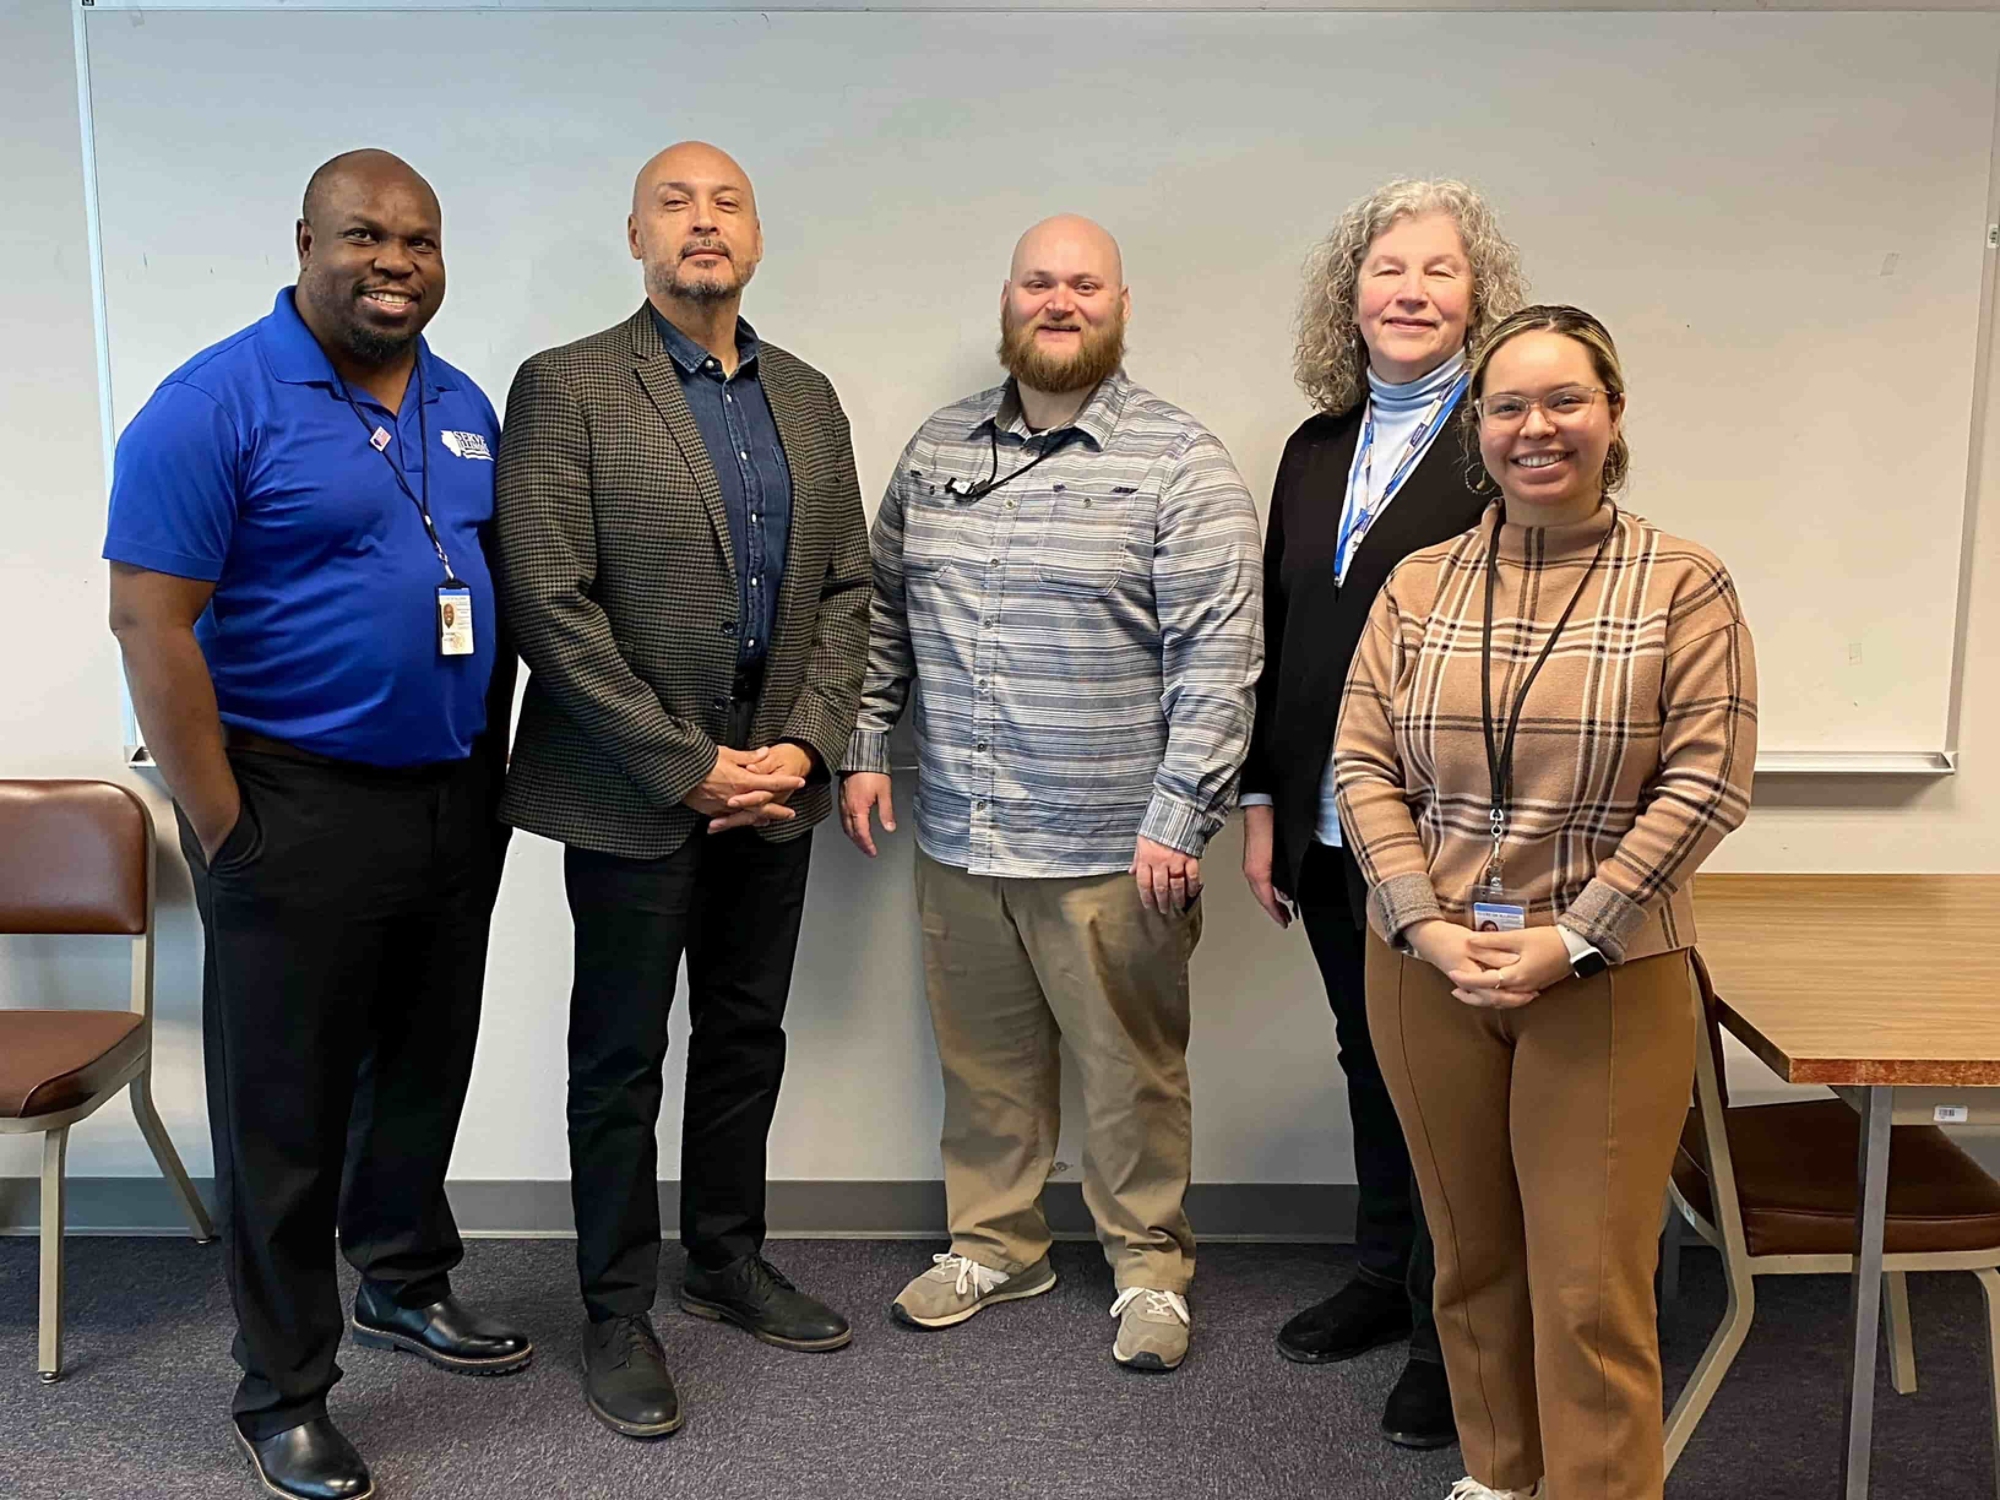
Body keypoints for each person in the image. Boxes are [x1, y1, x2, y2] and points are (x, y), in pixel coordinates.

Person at [104, 149, 527, 1500]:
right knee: (283, 1116)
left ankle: (404, 1278)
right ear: (304, 240)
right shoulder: (211, 402)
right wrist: (226, 825)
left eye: (418, 238)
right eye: (363, 235)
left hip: (451, 797)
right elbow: (147, 621)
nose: (393, 260)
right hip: (293, 803)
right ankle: (282, 1390)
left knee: (420, 1070)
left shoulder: (461, 403)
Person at [1334, 305, 1758, 1500]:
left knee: (1588, 1286)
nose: (1536, 428)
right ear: (1479, 427)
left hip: (1608, 976)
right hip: (1424, 969)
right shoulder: (1418, 583)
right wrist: (1421, 922)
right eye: (1509, 405)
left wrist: (1572, 939)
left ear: (1610, 416)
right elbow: (1360, 764)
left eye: (1563, 400)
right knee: (1468, 1263)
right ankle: (1499, 1477)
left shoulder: (1683, 582)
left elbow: (1706, 781)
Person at [840, 214, 1262, 1374]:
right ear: (1007, 301)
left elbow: (1220, 657)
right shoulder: (936, 451)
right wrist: (866, 739)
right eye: (1039, 282)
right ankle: (994, 1245)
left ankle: (1148, 1268)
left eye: (1083, 284)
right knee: (982, 1066)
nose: (1058, 301)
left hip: (1111, 846)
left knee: (1131, 1075)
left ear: (1120, 305)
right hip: (961, 831)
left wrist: (1180, 817)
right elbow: (881, 607)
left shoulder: (1180, 462)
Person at [495, 141, 870, 1441]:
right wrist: (686, 764)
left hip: (774, 790)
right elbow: (549, 601)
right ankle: (613, 1308)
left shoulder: (809, 397)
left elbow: (845, 590)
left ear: (755, 236)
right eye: (676, 202)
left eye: (727, 203)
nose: (703, 223)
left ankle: (722, 1259)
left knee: (744, 1037)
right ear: (637, 235)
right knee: (618, 1060)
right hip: (632, 793)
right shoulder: (567, 387)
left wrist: (805, 752)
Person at [1239, 178, 1526, 1450]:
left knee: (1449, 1086)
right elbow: (1279, 628)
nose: (1409, 292)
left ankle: (1440, 1327)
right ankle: (1377, 1271)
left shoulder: (1500, 439)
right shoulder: (1313, 450)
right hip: (1320, 823)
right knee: (1369, 1060)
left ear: (1480, 298)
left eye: (1438, 272)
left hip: (1448, 836)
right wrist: (1261, 800)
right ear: (1345, 297)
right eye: (1386, 270)